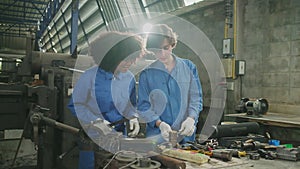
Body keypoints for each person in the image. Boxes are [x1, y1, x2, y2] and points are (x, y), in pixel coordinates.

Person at [68, 31, 145, 169]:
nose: (130, 63)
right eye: (125, 59)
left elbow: (131, 105)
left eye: (132, 58)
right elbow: (75, 105)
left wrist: (133, 117)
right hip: (93, 138)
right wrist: (95, 121)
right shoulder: (89, 76)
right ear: (111, 57)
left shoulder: (129, 78)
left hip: (119, 138)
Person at [138, 24, 203, 144]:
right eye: (157, 50)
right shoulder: (146, 74)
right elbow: (143, 106)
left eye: (166, 48)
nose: (162, 54)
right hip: (158, 136)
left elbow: (196, 97)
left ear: (172, 44)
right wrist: (159, 123)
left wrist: (191, 118)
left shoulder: (189, 67)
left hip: (185, 134)